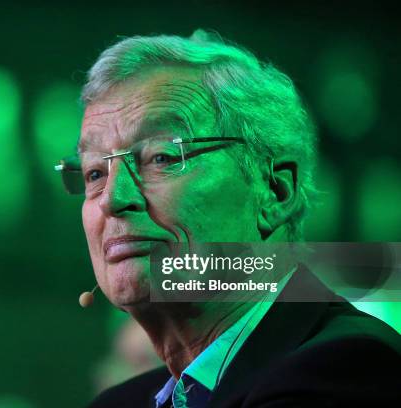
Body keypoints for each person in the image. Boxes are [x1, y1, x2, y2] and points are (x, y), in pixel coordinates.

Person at [56, 30, 401, 407]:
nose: (113, 199)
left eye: (162, 158)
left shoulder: (346, 369)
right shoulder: (120, 403)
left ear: (274, 191)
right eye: (94, 173)